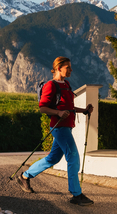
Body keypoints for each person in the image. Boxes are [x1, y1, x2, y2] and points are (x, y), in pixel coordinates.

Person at [18, 56, 95, 205]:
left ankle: (25, 176)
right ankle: (76, 194)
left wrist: (84, 110)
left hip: (67, 127)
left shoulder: (66, 84)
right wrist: (58, 113)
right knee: (73, 157)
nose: (71, 70)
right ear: (59, 68)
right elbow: (43, 108)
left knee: (52, 159)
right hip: (59, 127)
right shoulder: (51, 85)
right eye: (68, 67)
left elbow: (68, 107)